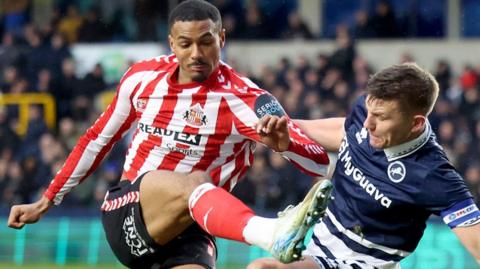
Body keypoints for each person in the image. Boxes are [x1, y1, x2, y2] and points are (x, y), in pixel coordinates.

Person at [7, 1, 333, 268]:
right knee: (195, 180)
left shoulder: (247, 99)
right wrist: (47, 200)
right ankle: (270, 232)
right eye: (186, 43)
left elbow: (318, 163)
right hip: (130, 211)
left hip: (192, 230)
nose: (196, 53)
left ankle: (270, 232)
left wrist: (285, 144)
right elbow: (96, 140)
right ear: (172, 43)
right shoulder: (142, 78)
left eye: (206, 41)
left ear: (222, 37)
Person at [245, 63, 480, 269]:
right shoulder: (366, 116)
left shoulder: (433, 175)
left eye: (381, 117)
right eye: (368, 111)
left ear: (416, 123)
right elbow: (345, 131)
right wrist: (289, 128)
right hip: (319, 251)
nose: (368, 124)